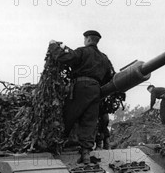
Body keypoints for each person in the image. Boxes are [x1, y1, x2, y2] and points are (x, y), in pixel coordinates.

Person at [49, 30, 115, 164]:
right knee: (89, 121)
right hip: (96, 90)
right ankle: (85, 154)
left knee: (69, 115)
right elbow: (110, 77)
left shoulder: (82, 51)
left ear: (88, 40)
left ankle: (59, 145)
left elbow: (65, 58)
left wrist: (53, 46)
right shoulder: (104, 58)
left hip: (80, 86)